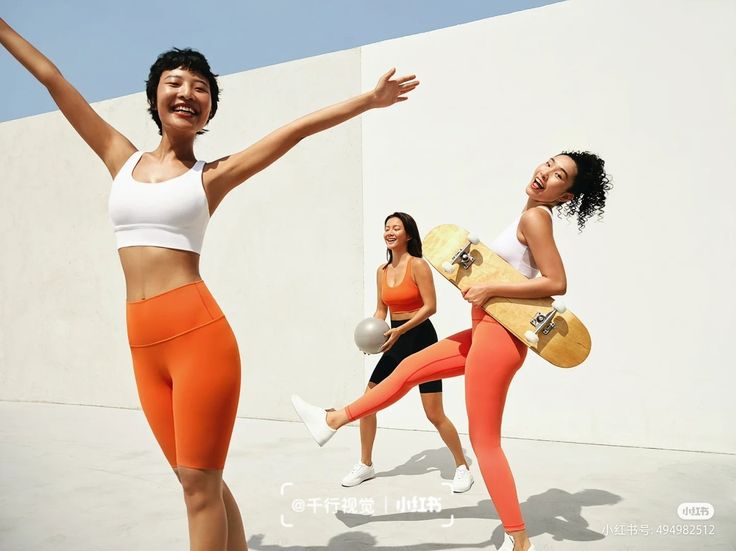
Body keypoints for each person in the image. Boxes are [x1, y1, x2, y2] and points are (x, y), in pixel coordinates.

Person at [1, 17, 418, 551]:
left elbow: (294, 130)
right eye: (175, 82)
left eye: (201, 88)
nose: (187, 93)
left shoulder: (211, 176)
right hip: (142, 341)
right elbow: (52, 78)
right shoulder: (118, 156)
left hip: (198, 337)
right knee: (198, 482)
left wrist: (369, 100)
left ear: (209, 112)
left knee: (198, 490)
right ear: (154, 97)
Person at [292, 151, 612, 551]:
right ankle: (333, 419)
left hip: (500, 338)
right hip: (484, 331)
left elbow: (556, 282)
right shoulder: (527, 214)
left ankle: (519, 540)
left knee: (485, 441)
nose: (545, 173)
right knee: (408, 368)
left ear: (565, 196)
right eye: (548, 164)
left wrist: (491, 288)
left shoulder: (536, 217)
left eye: (558, 175)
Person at [342, 212, 472, 492]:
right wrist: (372, 338)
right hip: (394, 339)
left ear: (408, 235)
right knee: (368, 402)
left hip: (420, 338)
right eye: (386, 227)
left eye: (396, 228)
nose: (389, 232)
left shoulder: (418, 265)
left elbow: (430, 307)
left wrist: (401, 330)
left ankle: (462, 466)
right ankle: (366, 464)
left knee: (434, 413)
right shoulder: (382, 271)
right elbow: (381, 310)